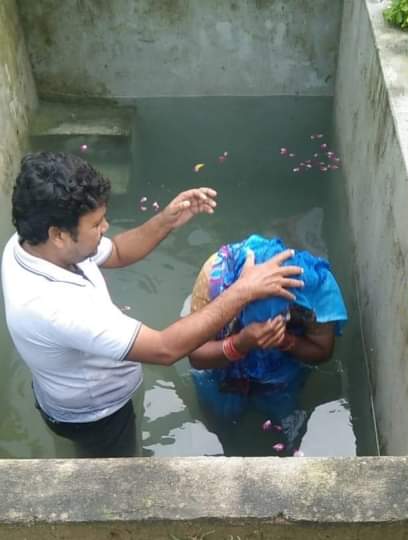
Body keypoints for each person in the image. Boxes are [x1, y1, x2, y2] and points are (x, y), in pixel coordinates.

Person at [1, 152, 304, 458]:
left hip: (67, 391)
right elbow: (164, 349)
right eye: (96, 223)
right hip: (97, 415)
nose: (106, 227)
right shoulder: (56, 307)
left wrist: (165, 220)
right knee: (113, 474)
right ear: (59, 235)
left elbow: (117, 251)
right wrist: (243, 291)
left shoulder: (29, 243)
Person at [186, 234, 347, 456]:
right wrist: (241, 342)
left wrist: (286, 341)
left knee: (285, 429)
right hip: (223, 371)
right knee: (220, 423)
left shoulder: (316, 289)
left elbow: (322, 351)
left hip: (281, 375)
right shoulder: (217, 276)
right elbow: (195, 353)